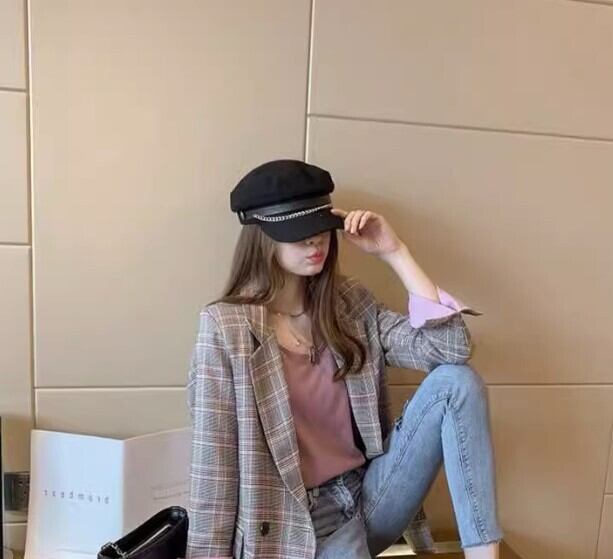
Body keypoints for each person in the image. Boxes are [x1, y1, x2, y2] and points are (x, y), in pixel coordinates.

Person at [185, 159, 504, 559]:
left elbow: (451, 350)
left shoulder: (349, 304)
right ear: (261, 235)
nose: (315, 242)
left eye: (321, 228)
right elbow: (213, 468)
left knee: (458, 382)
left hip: (367, 500)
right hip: (291, 527)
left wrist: (396, 254)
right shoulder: (226, 328)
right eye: (299, 233)